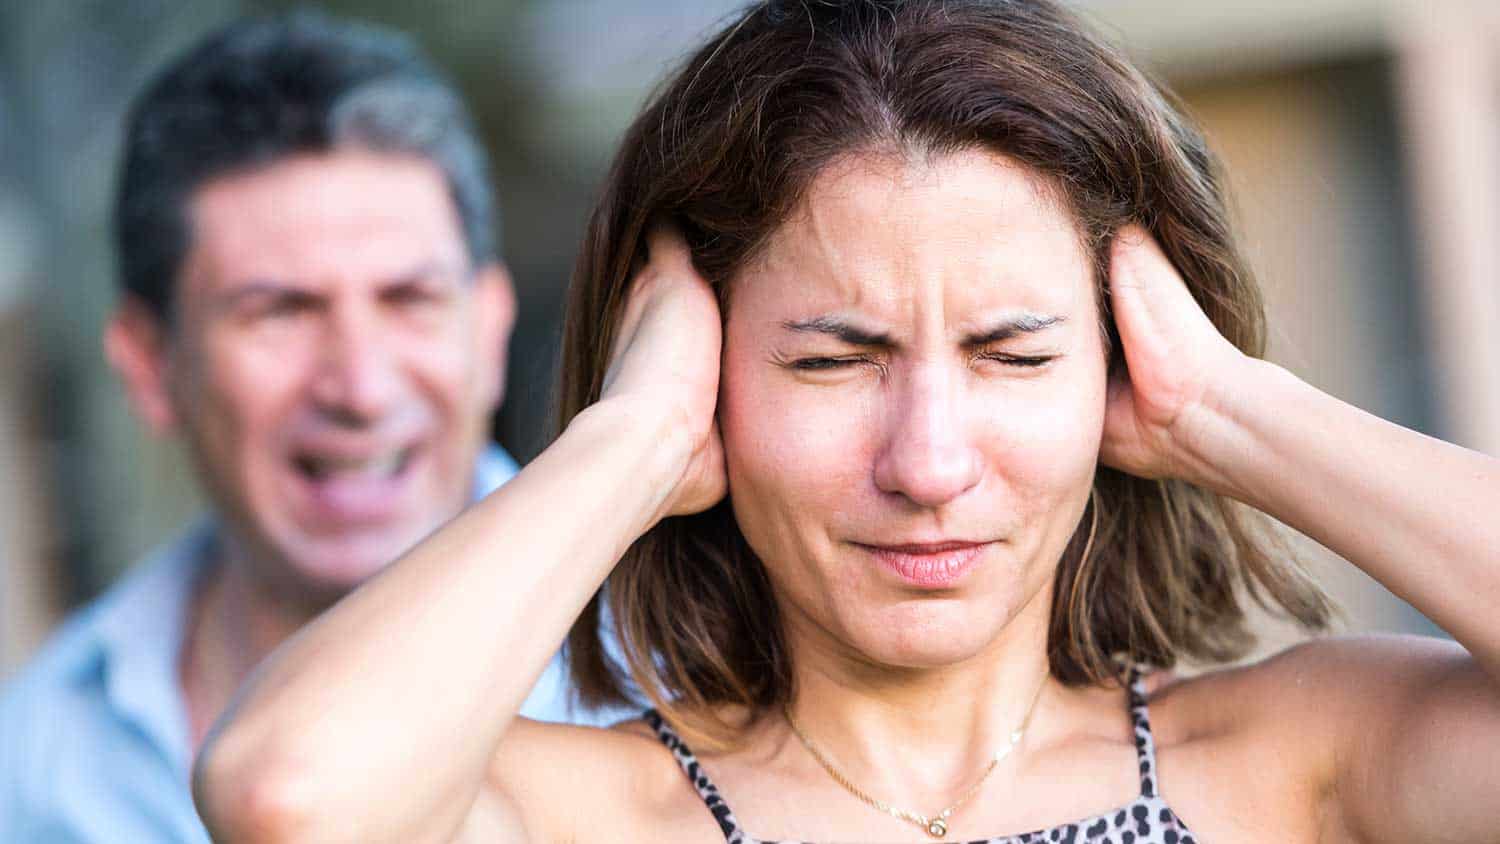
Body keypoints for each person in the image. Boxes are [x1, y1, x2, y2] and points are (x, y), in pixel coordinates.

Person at [196, 2, 1500, 842]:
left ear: (1114, 376)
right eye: (834, 362)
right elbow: (291, 795)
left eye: (1011, 353)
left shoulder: (1298, 764)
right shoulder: (585, 813)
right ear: (713, 381)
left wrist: (1228, 407)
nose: (928, 464)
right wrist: (629, 443)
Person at [0, 12, 619, 843]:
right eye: (280, 311)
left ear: (490, 327)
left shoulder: (683, 675)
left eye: (409, 299)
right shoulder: (39, 756)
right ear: (151, 365)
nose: (360, 388)